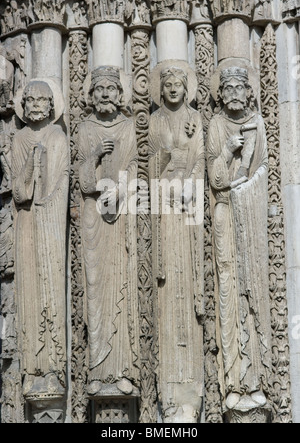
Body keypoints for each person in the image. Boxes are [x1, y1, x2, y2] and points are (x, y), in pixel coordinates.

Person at [206, 66, 272, 419]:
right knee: (229, 291)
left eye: (239, 88)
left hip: (250, 216)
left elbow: (262, 170)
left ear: (249, 93)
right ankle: (232, 380)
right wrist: (230, 150)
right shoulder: (217, 126)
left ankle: (256, 378)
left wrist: (245, 185)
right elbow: (215, 177)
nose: (233, 93)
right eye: (226, 88)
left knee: (252, 290)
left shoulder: (258, 124)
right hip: (224, 217)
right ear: (220, 95)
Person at [78, 66, 140, 396]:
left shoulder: (129, 128)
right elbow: (84, 181)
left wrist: (120, 188)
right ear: (91, 95)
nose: (105, 93)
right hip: (93, 224)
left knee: (122, 292)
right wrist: (94, 155)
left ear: (120, 95)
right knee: (96, 293)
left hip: (121, 220)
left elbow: (134, 167)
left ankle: (123, 370)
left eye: (111, 88)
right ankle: (96, 370)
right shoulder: (85, 130)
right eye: (99, 88)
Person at [149, 66, 204, 423]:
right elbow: (152, 164)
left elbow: (201, 160)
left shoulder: (196, 118)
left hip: (189, 212)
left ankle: (192, 389)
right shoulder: (154, 121)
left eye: (177, 84)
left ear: (187, 88)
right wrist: (170, 154)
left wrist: (190, 174)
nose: (171, 89)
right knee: (168, 292)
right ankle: (168, 391)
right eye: (166, 84)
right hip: (165, 214)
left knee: (188, 287)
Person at [11, 80, 69, 399]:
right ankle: (31, 369)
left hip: (49, 227)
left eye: (41, 100)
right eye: (29, 100)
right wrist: (33, 162)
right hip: (26, 225)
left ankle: (53, 369)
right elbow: (20, 192)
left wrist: (47, 197)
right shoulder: (20, 138)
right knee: (29, 293)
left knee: (50, 292)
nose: (35, 105)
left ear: (51, 106)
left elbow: (60, 184)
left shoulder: (58, 136)